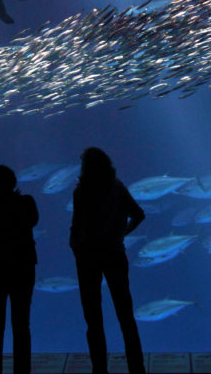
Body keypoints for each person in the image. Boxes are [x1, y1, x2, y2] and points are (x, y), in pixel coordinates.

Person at [70, 147, 146, 374]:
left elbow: (77, 226)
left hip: (87, 258)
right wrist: (121, 234)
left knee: (93, 320)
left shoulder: (81, 191)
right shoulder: (117, 186)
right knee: (126, 315)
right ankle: (137, 368)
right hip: (115, 254)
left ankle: (99, 369)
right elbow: (139, 214)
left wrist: (75, 246)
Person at [0, 165, 38, 374]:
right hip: (22, 271)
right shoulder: (26, 202)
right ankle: (23, 370)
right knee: (22, 325)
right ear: (13, 183)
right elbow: (33, 220)